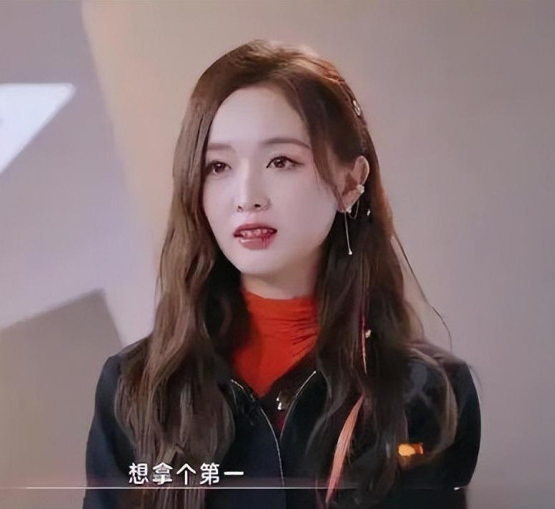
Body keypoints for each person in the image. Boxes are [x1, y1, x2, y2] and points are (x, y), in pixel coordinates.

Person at [83, 39, 481, 509]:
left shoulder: (425, 394)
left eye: (281, 162)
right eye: (218, 166)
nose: (246, 196)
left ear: (351, 182)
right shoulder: (136, 388)